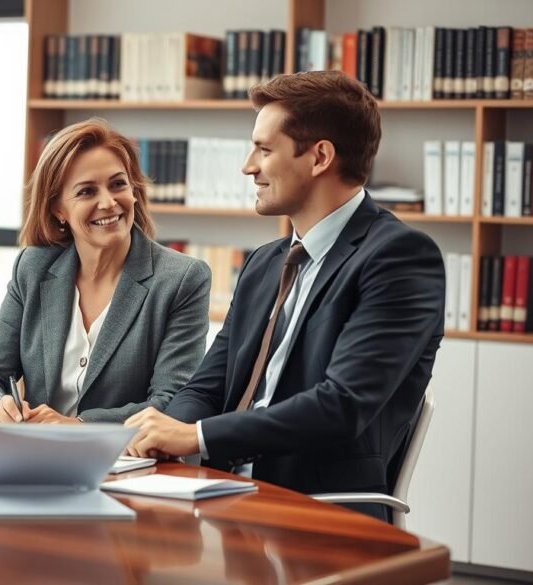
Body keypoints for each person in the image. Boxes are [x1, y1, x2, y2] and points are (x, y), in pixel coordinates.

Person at [123, 71, 445, 522]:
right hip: (223, 495)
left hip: (318, 509)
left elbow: (342, 406)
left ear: (319, 158)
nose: (248, 165)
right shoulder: (264, 263)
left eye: (264, 149)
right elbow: (208, 385)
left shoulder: (398, 257)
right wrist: (167, 431)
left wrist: (196, 436)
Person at [0, 118, 211, 427]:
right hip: (38, 460)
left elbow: (172, 402)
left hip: (130, 464)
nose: (108, 202)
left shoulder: (182, 278)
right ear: (58, 210)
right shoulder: (34, 268)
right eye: (86, 192)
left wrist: (78, 427)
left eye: (118, 184)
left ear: (134, 191)